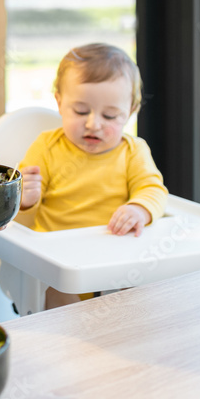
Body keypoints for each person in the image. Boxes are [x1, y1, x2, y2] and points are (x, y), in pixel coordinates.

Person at [16, 42, 168, 308]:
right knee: (59, 299)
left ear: (130, 111)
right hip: (58, 261)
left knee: (143, 295)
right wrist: (26, 197)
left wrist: (139, 209)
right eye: (81, 111)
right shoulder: (47, 147)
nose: (93, 124)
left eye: (110, 116)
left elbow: (153, 189)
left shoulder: (133, 151)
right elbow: (18, 211)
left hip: (116, 259)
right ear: (59, 102)